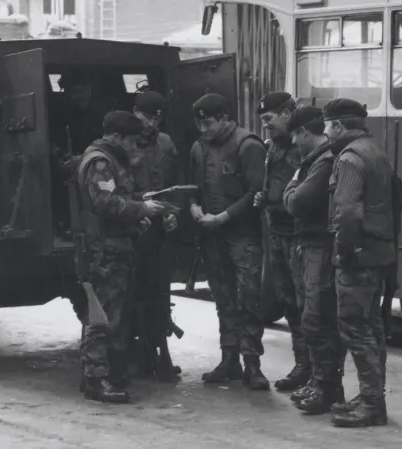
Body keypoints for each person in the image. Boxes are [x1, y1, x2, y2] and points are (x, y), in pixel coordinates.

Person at [76, 110, 169, 403]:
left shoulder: (110, 159)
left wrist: (140, 206)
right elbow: (105, 203)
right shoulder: (100, 162)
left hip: (115, 247)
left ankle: (108, 373)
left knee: (113, 315)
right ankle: (95, 379)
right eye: (132, 141)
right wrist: (142, 210)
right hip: (104, 251)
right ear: (117, 137)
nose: (135, 148)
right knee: (102, 317)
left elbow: (119, 199)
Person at [323, 98, 396, 427]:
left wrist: (346, 253)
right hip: (378, 252)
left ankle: (371, 403)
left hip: (358, 256)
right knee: (372, 329)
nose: (325, 132)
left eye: (327, 125)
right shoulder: (374, 151)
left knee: (355, 328)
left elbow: (348, 212)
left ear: (338, 125)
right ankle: (373, 396)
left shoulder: (350, 158)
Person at [188, 93, 270, 389]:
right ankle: (229, 359)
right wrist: (194, 207)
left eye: (208, 123)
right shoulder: (199, 148)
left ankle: (253, 364)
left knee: (248, 299)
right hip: (213, 237)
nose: (203, 129)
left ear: (224, 118)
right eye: (199, 124)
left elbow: (256, 193)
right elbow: (194, 187)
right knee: (223, 299)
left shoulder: (247, 146)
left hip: (243, 236)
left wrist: (222, 217)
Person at [283, 105, 344, 414]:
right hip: (313, 244)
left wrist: (291, 186)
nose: (293, 142)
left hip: (320, 246)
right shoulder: (317, 160)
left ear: (304, 132)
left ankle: (326, 387)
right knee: (316, 317)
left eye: (295, 135)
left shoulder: (323, 161)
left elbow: (297, 202)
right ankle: (324, 384)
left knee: (316, 318)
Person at [254, 92, 310, 392]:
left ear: (288, 114)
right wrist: (263, 197)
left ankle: (314, 370)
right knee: (288, 302)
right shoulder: (271, 148)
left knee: (306, 305)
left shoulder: (303, 147)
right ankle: (302, 365)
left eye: (270, 118)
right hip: (277, 232)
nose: (266, 125)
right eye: (263, 120)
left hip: (299, 236)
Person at [129, 91, 182, 381]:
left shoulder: (165, 143)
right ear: (136, 112)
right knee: (132, 295)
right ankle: (138, 355)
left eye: (157, 117)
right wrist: (141, 205)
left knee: (160, 294)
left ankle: (160, 353)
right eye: (148, 116)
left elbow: (173, 186)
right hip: (133, 229)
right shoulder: (123, 144)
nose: (153, 123)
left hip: (159, 231)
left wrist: (173, 213)